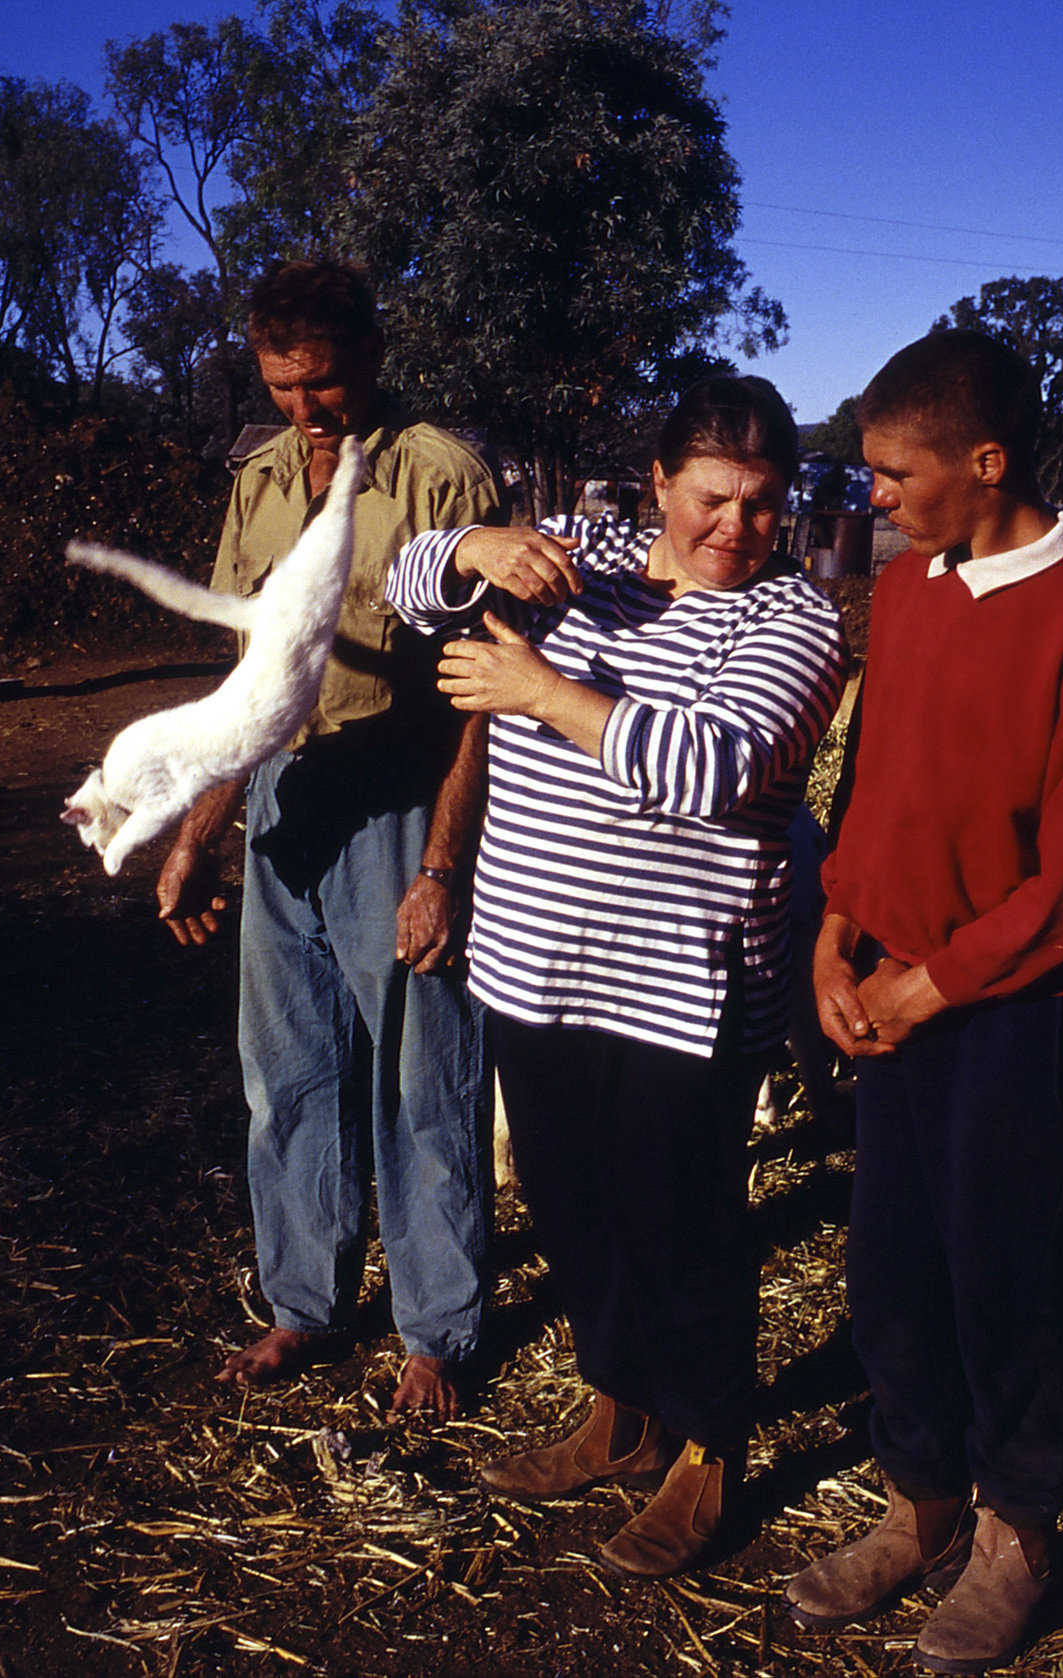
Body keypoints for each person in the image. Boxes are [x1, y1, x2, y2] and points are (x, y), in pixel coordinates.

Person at [385, 375, 846, 1577]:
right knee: (571, 1197)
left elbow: (716, 765)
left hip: (681, 987)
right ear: (656, 481)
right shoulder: (577, 556)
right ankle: (617, 1406)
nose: (734, 530)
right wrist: (473, 543)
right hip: (536, 962)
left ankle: (706, 1445)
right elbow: (402, 586)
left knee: (678, 1219)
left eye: (760, 505)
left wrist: (543, 691)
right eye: (710, 499)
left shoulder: (795, 621)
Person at [785, 331, 1063, 1673]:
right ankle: (923, 1497)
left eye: (895, 471)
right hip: (889, 982)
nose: (873, 494)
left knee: (1006, 1273)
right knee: (887, 1267)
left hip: (1007, 1009)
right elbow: (873, 781)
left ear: (984, 463)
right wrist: (833, 932)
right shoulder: (914, 590)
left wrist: (929, 981)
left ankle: (1016, 1528)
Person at [158, 259, 502, 1421]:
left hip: (404, 792)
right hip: (287, 803)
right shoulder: (257, 479)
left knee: (422, 1075)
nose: (307, 409)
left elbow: (480, 693)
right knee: (288, 1074)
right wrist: (201, 828)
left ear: (371, 359)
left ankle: (437, 1326)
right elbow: (248, 675)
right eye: (282, 385)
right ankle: (304, 1299)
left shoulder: (439, 477)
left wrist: (445, 866)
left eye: (325, 382)